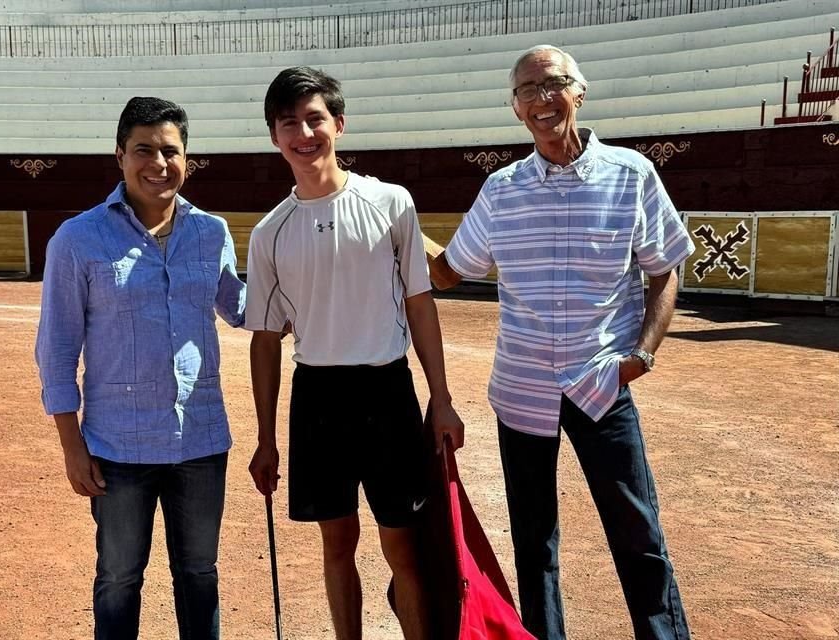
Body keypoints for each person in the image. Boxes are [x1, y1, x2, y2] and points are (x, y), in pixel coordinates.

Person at [425, 45, 694, 640]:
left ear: (579, 92)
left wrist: (643, 354)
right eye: (526, 91)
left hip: (602, 381)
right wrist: (397, 226)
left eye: (552, 85)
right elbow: (447, 272)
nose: (540, 101)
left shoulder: (631, 175)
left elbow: (666, 268)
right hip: (522, 390)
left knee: (636, 531)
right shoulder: (502, 190)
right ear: (515, 109)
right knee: (532, 537)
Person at [245, 66, 464, 640]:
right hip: (315, 397)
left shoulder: (391, 203)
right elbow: (265, 340)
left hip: (387, 390)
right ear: (274, 136)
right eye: (289, 122)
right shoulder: (270, 232)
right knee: (336, 545)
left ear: (338, 124)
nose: (304, 133)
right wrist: (266, 437)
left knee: (403, 548)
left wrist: (440, 399)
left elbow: (421, 304)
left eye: (315, 118)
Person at [35, 96, 245, 640]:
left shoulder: (211, 232)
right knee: (119, 578)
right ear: (120, 157)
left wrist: (310, 278)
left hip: (199, 441)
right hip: (117, 447)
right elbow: (56, 351)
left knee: (199, 574)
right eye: (143, 150)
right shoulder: (78, 239)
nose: (158, 163)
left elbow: (242, 308)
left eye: (169, 150)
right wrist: (71, 446)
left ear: (188, 158)